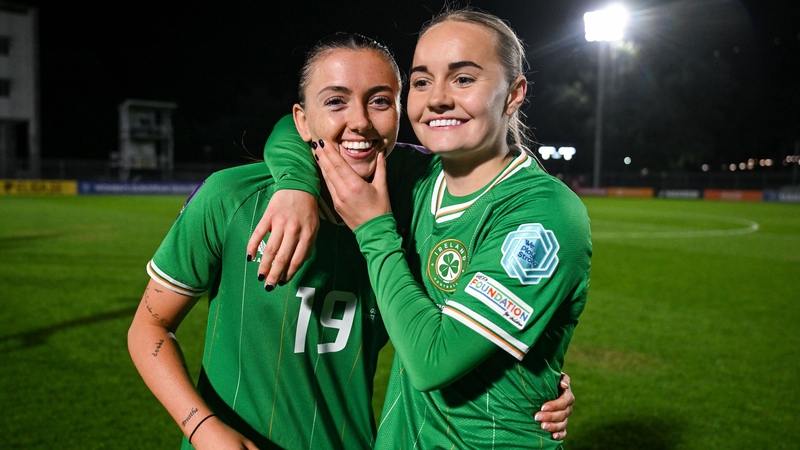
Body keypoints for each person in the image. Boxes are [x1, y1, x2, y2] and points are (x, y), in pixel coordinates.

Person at [128, 32, 573, 449]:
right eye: (335, 101)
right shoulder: (232, 198)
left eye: (379, 101)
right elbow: (149, 327)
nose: (359, 122)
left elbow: (467, 323)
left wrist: (536, 380)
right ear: (303, 120)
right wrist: (201, 427)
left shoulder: (417, 204)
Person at [251, 9, 591, 449]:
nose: (438, 99)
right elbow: (294, 127)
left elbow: (434, 361)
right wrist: (295, 186)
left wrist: (374, 229)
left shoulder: (543, 213)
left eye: (463, 79)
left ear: (514, 94)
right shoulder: (415, 176)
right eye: (422, 81)